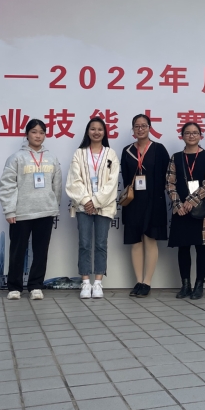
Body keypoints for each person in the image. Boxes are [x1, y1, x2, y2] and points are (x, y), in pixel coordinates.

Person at [0, 119, 62, 301]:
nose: (38, 136)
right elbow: (7, 185)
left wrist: (54, 206)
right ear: (27, 134)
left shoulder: (52, 158)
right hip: (21, 213)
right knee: (17, 251)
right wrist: (9, 210)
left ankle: (36, 286)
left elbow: (57, 184)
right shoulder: (16, 158)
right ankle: (14, 287)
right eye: (34, 132)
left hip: (45, 211)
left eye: (41, 132)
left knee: (41, 251)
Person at [66, 117, 120, 299]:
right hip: (83, 207)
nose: (96, 132)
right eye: (93, 129)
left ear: (105, 132)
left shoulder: (111, 154)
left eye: (100, 129)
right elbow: (74, 180)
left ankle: (97, 282)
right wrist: (86, 201)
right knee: (84, 243)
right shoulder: (79, 153)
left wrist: (96, 202)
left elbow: (112, 182)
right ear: (87, 131)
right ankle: (85, 282)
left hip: (104, 206)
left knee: (101, 244)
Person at [121, 113, 170, 297]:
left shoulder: (158, 149)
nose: (140, 129)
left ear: (150, 128)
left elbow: (167, 175)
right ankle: (138, 281)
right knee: (135, 242)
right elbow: (126, 176)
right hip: (133, 201)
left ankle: (147, 282)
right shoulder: (127, 150)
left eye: (144, 126)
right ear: (133, 129)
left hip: (154, 201)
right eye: (137, 126)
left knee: (150, 240)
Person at [166, 122, 205, 300]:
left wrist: (192, 201)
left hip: (199, 209)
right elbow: (170, 183)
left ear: (200, 136)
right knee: (183, 247)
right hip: (181, 210)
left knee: (201, 247)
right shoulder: (176, 157)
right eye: (187, 133)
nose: (191, 136)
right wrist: (178, 204)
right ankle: (185, 284)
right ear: (182, 136)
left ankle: (199, 285)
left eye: (195, 133)